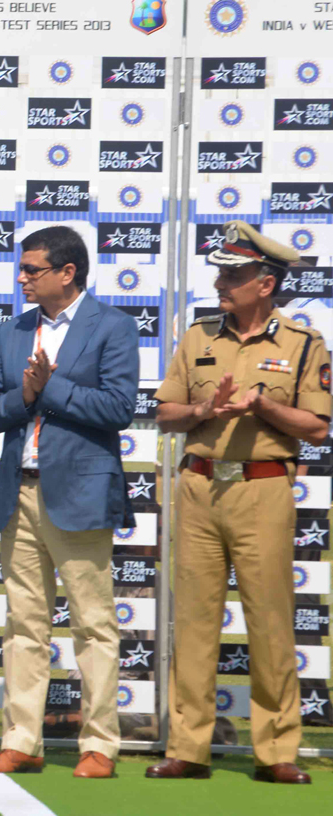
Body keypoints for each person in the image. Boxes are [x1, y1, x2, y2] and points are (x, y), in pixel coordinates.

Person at [148, 221, 329, 785]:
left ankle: (276, 751)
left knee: (271, 621)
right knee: (194, 621)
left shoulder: (303, 344)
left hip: (263, 489)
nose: (221, 281)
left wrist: (262, 408)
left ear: (265, 283)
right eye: (221, 271)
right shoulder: (199, 335)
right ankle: (188, 748)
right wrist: (204, 413)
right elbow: (165, 412)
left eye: (234, 273)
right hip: (199, 487)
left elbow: (318, 429)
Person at [0, 225, 139, 779]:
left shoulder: (112, 326)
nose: (20, 279)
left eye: (31, 270)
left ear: (67, 273)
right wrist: (23, 394)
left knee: (93, 624)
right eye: (21, 269)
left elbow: (118, 407)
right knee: (24, 624)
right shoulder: (13, 329)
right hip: (19, 492)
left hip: (81, 493)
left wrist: (50, 388)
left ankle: (100, 745)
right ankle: (22, 740)